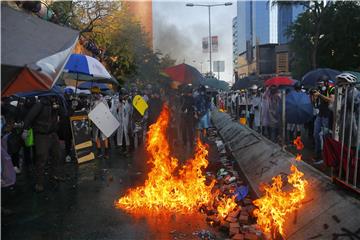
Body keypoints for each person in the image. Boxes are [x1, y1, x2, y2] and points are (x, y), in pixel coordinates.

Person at [23, 95, 65, 192]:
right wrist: (25, 129)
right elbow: (29, 117)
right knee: (42, 158)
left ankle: (54, 175)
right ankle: (39, 182)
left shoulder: (56, 103)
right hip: (41, 135)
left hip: (53, 133)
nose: (55, 98)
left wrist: (61, 107)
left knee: (57, 155)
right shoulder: (40, 104)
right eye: (54, 96)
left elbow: (65, 114)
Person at [311, 75, 335, 163]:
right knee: (315, 134)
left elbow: (331, 100)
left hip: (327, 115)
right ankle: (318, 155)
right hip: (320, 114)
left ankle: (327, 156)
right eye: (318, 84)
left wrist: (320, 95)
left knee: (326, 137)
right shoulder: (319, 90)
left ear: (326, 82)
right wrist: (314, 97)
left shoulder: (332, 89)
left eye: (321, 83)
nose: (319, 85)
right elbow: (315, 103)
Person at [90, 86, 110, 159]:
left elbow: (107, 109)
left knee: (104, 136)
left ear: (98, 93)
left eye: (95, 93)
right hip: (95, 121)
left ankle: (106, 152)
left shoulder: (102, 100)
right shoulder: (91, 100)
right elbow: (90, 110)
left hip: (103, 120)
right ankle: (99, 152)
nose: (94, 95)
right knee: (97, 136)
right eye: (93, 93)